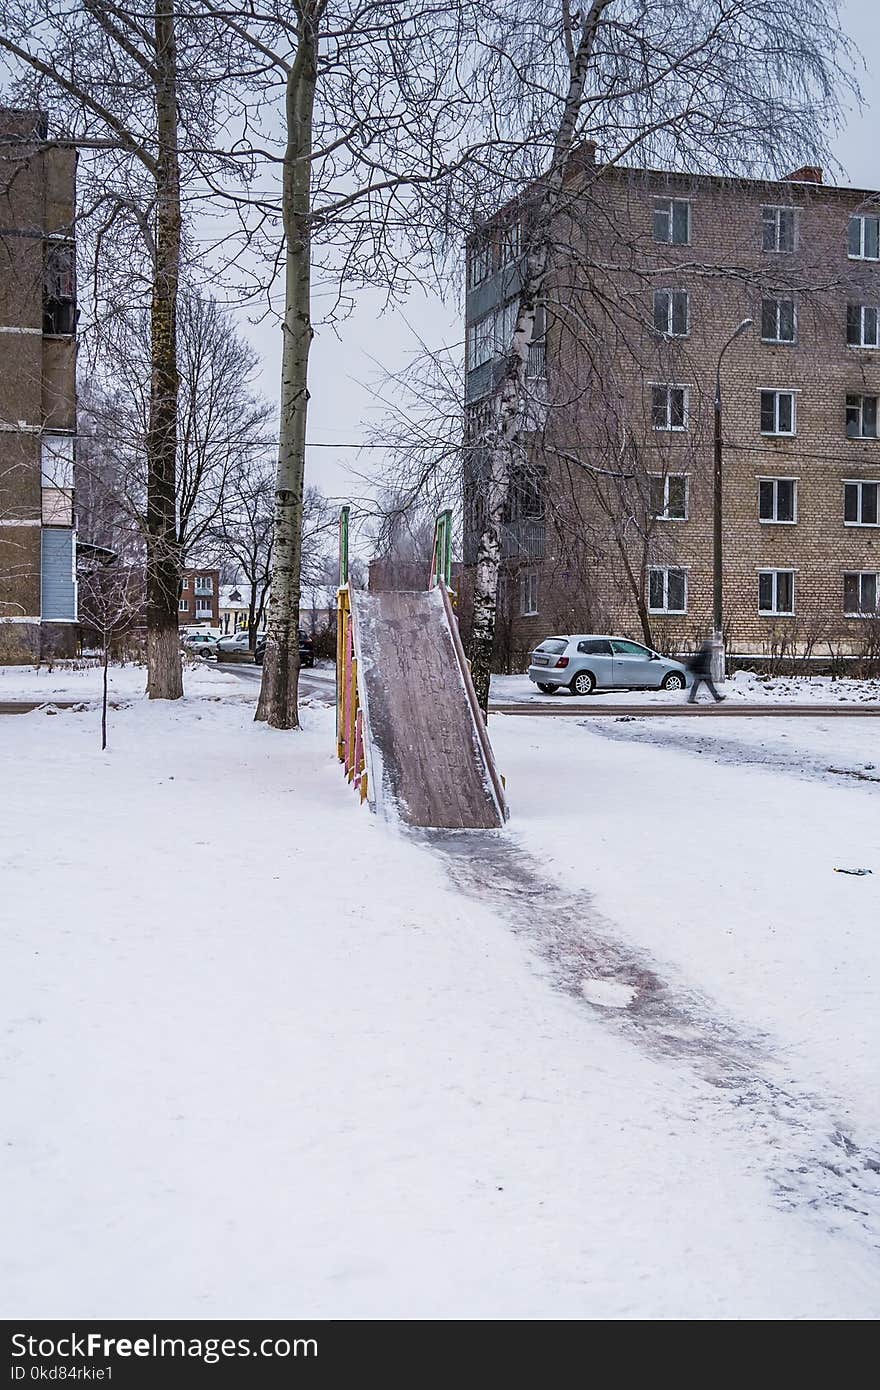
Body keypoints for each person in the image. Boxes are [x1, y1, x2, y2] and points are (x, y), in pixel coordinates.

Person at [687, 637, 726, 703]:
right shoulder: (706, 654)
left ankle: (691, 698)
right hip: (703, 673)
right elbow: (704, 664)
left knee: (697, 686)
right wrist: (707, 673)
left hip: (701, 673)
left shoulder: (703, 653)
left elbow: (699, 662)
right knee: (709, 687)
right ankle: (717, 697)